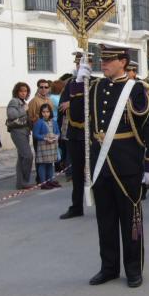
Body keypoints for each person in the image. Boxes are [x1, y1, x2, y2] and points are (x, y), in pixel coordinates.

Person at [79, 44, 149, 288]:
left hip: (127, 164)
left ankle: (134, 269)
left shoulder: (137, 89)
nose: (102, 64)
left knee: (130, 219)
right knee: (105, 220)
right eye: (101, 61)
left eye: (109, 60)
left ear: (123, 62)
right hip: (100, 164)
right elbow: (77, 114)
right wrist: (77, 82)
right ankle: (109, 268)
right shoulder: (95, 87)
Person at [58, 52, 89, 220]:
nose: (79, 67)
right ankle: (76, 206)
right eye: (77, 64)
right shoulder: (70, 83)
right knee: (77, 173)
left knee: (96, 172)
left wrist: (73, 102)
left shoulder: (95, 82)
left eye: (83, 64)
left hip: (91, 133)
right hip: (75, 132)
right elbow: (62, 107)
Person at [7, 82, 34, 190]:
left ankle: (21, 183)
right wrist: (25, 110)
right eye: (21, 91)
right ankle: (25, 181)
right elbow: (12, 115)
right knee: (28, 156)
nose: (23, 93)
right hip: (18, 131)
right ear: (17, 92)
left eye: (25, 91)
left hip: (25, 131)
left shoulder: (23, 101)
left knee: (22, 157)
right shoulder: (14, 101)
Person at [33, 103, 60, 189]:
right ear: (41, 113)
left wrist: (56, 137)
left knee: (50, 164)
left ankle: (50, 181)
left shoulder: (53, 122)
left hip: (52, 145)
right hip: (43, 145)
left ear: (50, 112)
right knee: (43, 164)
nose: (45, 114)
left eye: (47, 112)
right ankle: (43, 182)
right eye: (43, 112)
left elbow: (58, 132)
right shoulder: (39, 122)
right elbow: (35, 134)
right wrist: (45, 138)